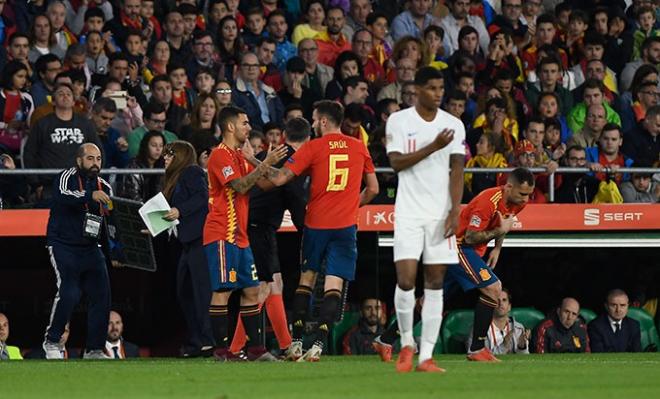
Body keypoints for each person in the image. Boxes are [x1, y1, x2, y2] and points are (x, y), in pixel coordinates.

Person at [267, 100, 378, 362]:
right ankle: (318, 344)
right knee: (333, 286)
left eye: (315, 120)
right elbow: (373, 188)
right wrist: (352, 204)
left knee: (306, 280)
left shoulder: (313, 147)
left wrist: (254, 159)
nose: (313, 124)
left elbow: (280, 178)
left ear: (325, 121)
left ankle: (295, 344)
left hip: (316, 224)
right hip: (345, 227)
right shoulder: (359, 147)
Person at [384, 66, 465, 373]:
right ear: (417, 90)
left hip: (439, 214)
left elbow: (457, 169)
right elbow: (396, 164)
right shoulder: (399, 121)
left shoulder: (454, 124)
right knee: (405, 280)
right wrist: (433, 147)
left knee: (435, 283)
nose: (438, 93)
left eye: (440, 88)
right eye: (432, 88)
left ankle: (426, 357)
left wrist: (455, 210)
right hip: (408, 211)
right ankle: (406, 342)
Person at [204, 106, 287, 362]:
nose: (249, 127)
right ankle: (221, 351)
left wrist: (257, 161)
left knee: (252, 290)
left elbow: (268, 181)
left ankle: (256, 350)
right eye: (245, 123)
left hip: (240, 236)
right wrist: (265, 164)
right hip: (221, 233)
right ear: (230, 127)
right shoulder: (219, 156)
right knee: (224, 290)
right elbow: (240, 187)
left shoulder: (239, 156)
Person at [228, 117, 311, 356]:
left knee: (275, 284)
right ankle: (234, 349)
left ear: (284, 135)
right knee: (262, 288)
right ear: (308, 140)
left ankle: (287, 347)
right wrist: (308, 232)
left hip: (252, 224)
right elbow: (295, 201)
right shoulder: (292, 163)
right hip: (258, 227)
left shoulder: (269, 155)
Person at [449, 167, 535, 362]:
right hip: (458, 246)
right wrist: (498, 231)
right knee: (494, 288)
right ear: (508, 187)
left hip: (472, 251)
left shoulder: (517, 202)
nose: (525, 199)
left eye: (529, 195)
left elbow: (505, 223)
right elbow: (470, 237)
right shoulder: (487, 202)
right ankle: (477, 348)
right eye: (522, 194)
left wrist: (497, 249)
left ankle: (385, 340)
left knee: (433, 298)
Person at [42, 143, 115, 360]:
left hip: (91, 248)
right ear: (79, 160)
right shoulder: (66, 176)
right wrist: (89, 196)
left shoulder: (105, 187)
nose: (95, 163)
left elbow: (109, 221)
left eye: (99, 159)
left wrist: (116, 252)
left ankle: (94, 349)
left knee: (102, 296)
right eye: (90, 158)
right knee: (69, 292)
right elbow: (63, 195)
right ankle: (52, 341)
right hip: (63, 245)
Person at [161, 140, 215, 358]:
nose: (164, 158)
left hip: (200, 240)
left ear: (181, 156)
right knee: (185, 292)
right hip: (188, 242)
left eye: (169, 154)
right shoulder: (175, 178)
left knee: (201, 294)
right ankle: (197, 340)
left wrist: (179, 210)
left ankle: (208, 341)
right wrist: (157, 226)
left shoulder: (192, 172)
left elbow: (202, 198)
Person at [23, 83, 100, 207]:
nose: (65, 96)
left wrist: (93, 179)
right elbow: (29, 154)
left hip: (80, 183)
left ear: (74, 101)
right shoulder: (42, 124)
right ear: (53, 101)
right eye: (60, 94)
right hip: (50, 185)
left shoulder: (85, 124)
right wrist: (36, 184)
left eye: (69, 94)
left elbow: (98, 150)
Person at [467, 289, 530, 355]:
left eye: (504, 300)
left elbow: (523, 359)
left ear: (509, 306)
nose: (501, 304)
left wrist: (522, 347)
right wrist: (503, 345)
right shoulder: (478, 329)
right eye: (497, 300)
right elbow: (476, 355)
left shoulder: (518, 328)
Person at [119, 130, 165, 203]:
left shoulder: (163, 165)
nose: (158, 149)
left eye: (161, 145)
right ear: (145, 146)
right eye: (154, 145)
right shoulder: (134, 166)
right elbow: (133, 195)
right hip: (138, 209)